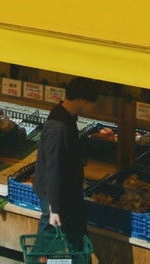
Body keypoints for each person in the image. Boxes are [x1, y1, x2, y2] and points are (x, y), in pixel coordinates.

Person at [32, 76, 100, 253]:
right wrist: (54, 207)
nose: (93, 108)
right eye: (92, 103)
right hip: (56, 194)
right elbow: (53, 168)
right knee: (48, 240)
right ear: (82, 100)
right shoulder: (59, 127)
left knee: (73, 236)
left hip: (63, 192)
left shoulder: (64, 116)